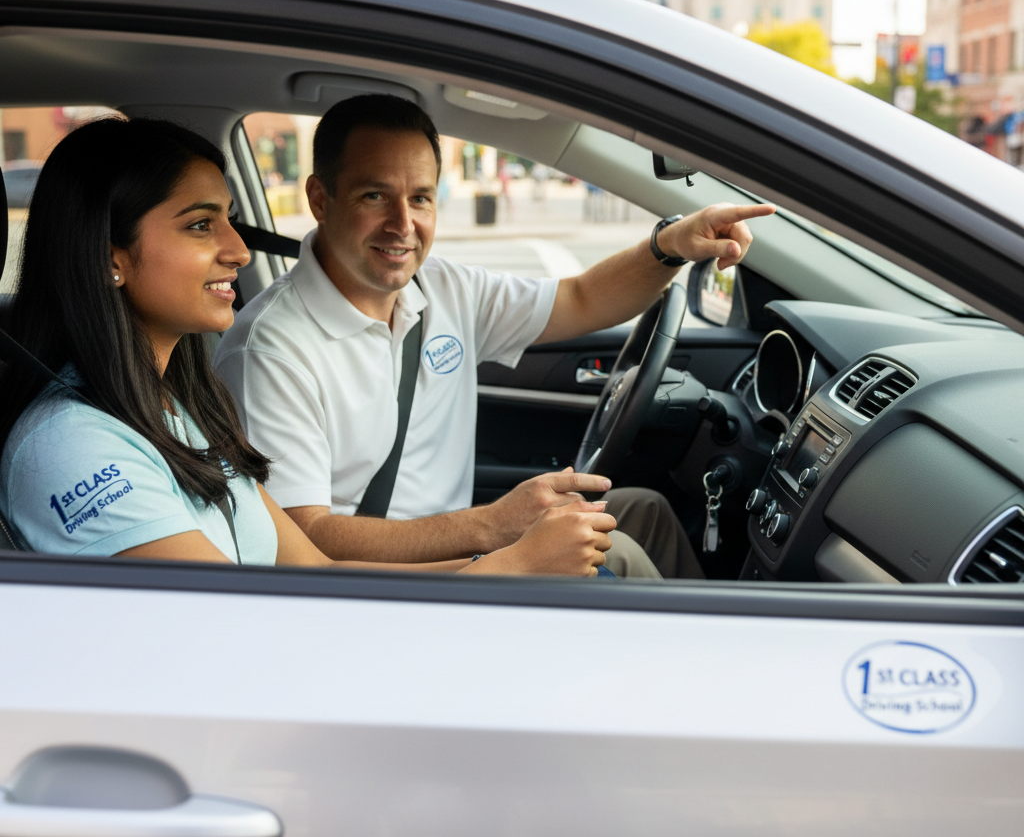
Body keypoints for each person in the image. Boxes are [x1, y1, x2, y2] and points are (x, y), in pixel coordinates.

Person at [0, 117, 618, 577]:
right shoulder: (71, 447)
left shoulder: (174, 409)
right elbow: (233, 631)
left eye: (230, 219)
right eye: (199, 224)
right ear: (111, 258)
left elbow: (316, 576)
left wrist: (502, 563)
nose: (239, 251)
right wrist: (504, 569)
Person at [215, 95, 775, 576]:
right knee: (617, 552)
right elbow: (302, 537)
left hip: (460, 545)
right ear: (319, 199)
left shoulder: (443, 287)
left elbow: (580, 299)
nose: (403, 224)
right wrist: (493, 527)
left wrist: (670, 244)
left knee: (644, 510)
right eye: (374, 196)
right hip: (388, 587)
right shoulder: (270, 348)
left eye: (421, 198)